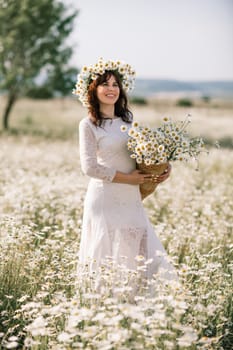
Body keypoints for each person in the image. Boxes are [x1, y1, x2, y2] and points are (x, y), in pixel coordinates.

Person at [73, 58, 176, 285]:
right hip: (104, 197)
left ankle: (134, 308)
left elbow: (143, 154)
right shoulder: (88, 124)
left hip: (131, 197)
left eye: (115, 84)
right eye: (105, 84)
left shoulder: (129, 121)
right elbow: (89, 167)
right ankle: (101, 309)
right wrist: (128, 178)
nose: (111, 89)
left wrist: (163, 166)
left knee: (137, 251)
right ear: (93, 89)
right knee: (105, 255)